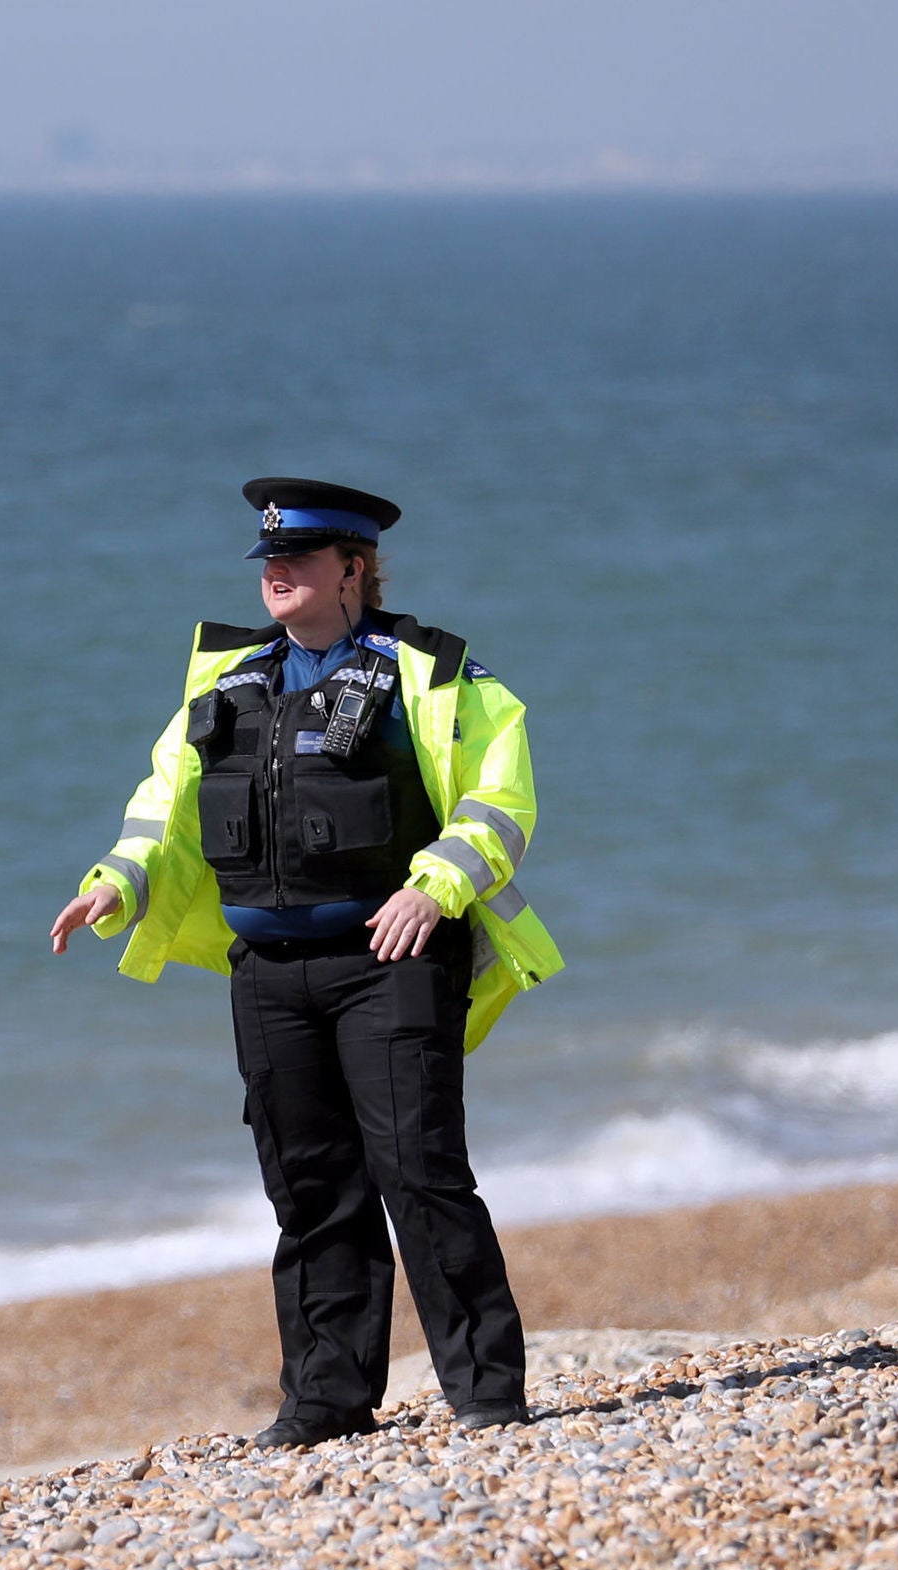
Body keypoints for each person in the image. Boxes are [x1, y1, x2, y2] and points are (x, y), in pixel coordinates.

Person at [49, 479, 563, 1449]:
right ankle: (327, 1396)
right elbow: (166, 802)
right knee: (308, 1184)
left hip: (392, 953)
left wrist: (436, 887)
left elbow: (501, 802)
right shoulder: (225, 679)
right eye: (267, 562)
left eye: (296, 560)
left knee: (420, 1170)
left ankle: (488, 1392)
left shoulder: (437, 674)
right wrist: (117, 880)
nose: (274, 574)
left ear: (354, 570)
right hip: (271, 971)